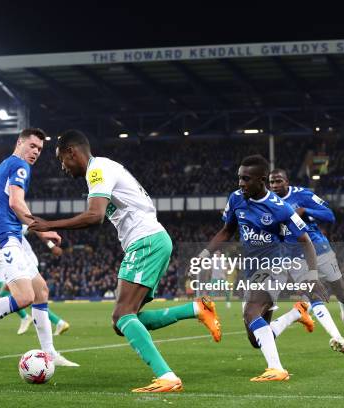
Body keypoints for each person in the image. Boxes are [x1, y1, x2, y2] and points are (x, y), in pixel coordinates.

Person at [28, 129, 221, 393]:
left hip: (146, 242)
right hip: (150, 241)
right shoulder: (103, 169)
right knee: (124, 321)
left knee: (122, 315)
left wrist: (49, 224)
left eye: (62, 159)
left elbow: (95, 216)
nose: (62, 167)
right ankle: (196, 309)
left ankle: (167, 376)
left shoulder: (97, 170)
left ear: (72, 152)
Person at [0, 128, 78, 367]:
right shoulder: (20, 166)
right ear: (20, 143)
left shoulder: (1, 167)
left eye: (39, 149)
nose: (36, 153)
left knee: (41, 291)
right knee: (25, 297)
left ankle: (49, 353)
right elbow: (16, 203)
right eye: (32, 146)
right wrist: (44, 228)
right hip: (2, 238)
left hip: (9, 238)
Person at [201, 155, 326, 382]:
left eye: (245, 179)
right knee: (255, 339)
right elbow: (227, 230)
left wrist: (313, 275)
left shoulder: (280, 208)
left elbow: (305, 240)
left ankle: (277, 368)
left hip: (274, 268)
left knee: (251, 311)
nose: (240, 183)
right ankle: (296, 314)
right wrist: (206, 252)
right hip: (250, 271)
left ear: (261, 180)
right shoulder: (236, 198)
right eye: (239, 178)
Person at [269, 168, 344, 351]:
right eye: (272, 182)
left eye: (279, 181)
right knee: (313, 295)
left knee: (341, 292)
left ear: (287, 181)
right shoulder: (269, 204)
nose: (275, 185)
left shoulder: (303, 195)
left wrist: (305, 210)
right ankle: (337, 337)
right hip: (294, 255)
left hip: (319, 248)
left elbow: (330, 216)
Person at [0, 224, 71, 336]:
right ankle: (57, 322)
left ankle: (28, 318)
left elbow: (36, 229)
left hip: (25, 262)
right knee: (23, 296)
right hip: (19, 264)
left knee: (23, 296)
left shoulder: (10, 224)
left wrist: (51, 245)